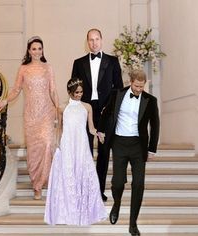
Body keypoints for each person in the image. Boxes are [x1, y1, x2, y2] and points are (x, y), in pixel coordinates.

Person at [0, 36, 59, 200]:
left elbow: (53, 90)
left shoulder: (48, 67)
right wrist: (4, 101)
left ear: (42, 50)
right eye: (34, 49)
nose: (37, 51)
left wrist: (58, 109)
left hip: (47, 113)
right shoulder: (23, 68)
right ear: (29, 51)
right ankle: (37, 186)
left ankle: (47, 181)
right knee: (34, 150)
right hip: (31, 115)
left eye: (40, 48)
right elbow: (16, 89)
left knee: (48, 143)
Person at [97, 69, 160, 236]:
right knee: (118, 182)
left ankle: (133, 224)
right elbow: (106, 112)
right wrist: (101, 130)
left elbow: (155, 125)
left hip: (138, 146)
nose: (139, 89)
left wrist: (152, 148)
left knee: (138, 184)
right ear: (130, 82)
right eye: (137, 86)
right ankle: (116, 204)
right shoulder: (117, 94)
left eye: (142, 86)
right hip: (118, 142)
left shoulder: (150, 100)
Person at [44, 78, 107, 225]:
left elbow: (91, 128)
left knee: (83, 173)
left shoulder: (87, 107)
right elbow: (59, 128)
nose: (79, 94)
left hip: (81, 144)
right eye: (76, 92)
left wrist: (98, 133)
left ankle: (84, 210)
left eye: (81, 92)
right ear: (69, 92)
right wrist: (56, 144)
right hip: (67, 143)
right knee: (67, 174)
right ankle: (66, 212)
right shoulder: (61, 108)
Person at [71, 28, 123, 201]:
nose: (94, 43)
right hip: (85, 111)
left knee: (103, 152)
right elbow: (73, 90)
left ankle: (98, 191)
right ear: (87, 42)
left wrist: (109, 109)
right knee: (84, 151)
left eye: (97, 39)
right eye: (91, 40)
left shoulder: (113, 61)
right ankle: (83, 190)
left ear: (101, 40)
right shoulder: (78, 63)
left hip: (105, 112)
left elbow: (118, 89)